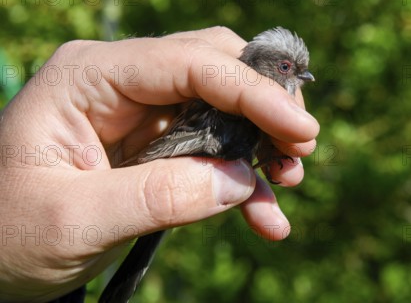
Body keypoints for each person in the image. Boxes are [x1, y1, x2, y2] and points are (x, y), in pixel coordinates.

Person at [0, 27, 320, 302]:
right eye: (285, 67)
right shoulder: (230, 103)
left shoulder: (238, 100)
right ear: (258, 64)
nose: (297, 76)